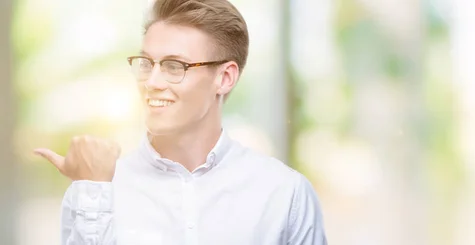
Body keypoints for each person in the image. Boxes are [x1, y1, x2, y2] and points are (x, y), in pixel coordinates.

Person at [33, 0, 327, 244]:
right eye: (147, 63)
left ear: (224, 78)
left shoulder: (285, 195)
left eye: (175, 66)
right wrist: (94, 192)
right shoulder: (95, 192)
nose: (152, 81)